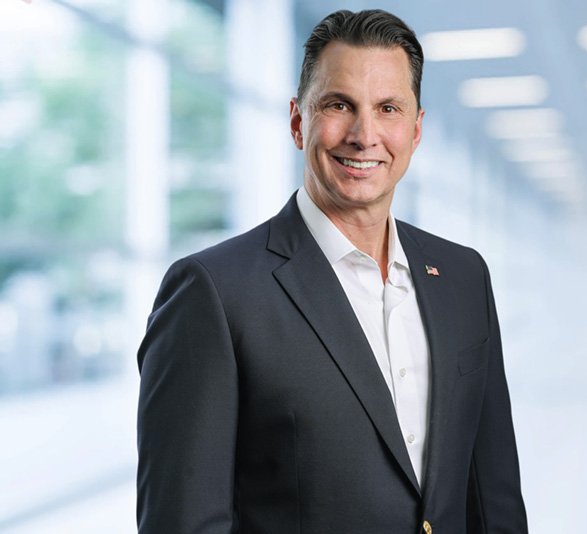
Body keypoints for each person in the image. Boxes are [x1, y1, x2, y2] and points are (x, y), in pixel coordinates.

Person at [136, 9, 527, 534]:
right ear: (298, 122)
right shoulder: (214, 293)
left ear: (415, 129)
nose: (365, 135)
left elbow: (494, 494)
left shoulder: (463, 276)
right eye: (339, 105)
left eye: (388, 108)